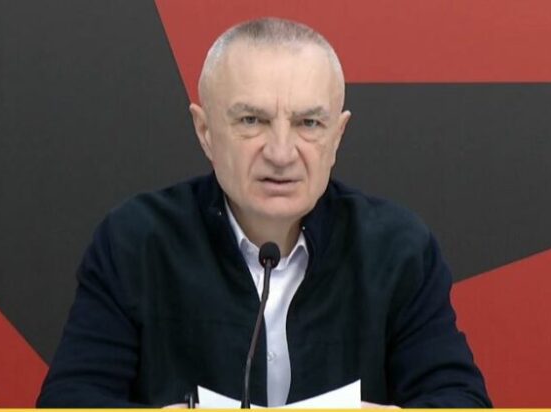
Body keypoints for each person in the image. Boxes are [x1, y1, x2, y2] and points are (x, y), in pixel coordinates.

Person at [37, 17, 491, 408]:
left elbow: (461, 400)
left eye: (308, 123)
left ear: (337, 135)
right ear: (205, 131)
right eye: (251, 121)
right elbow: (69, 402)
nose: (281, 153)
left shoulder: (397, 248)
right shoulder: (136, 242)